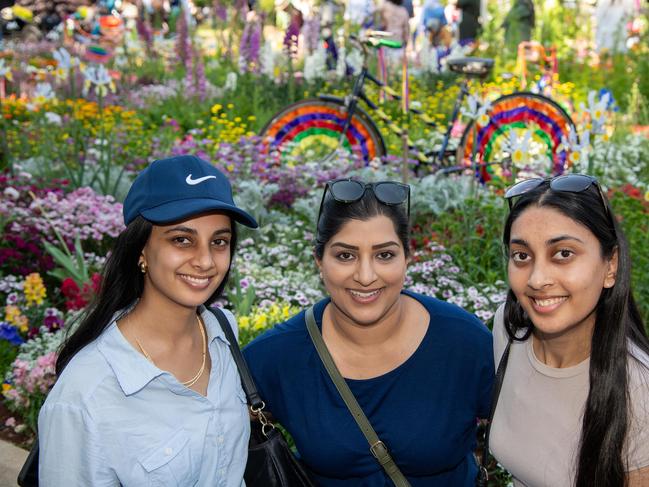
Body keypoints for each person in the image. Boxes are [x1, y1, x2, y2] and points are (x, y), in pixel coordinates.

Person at [243, 178, 494, 486]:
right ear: (319, 261)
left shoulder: (463, 342)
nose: (365, 276)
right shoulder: (277, 356)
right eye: (345, 255)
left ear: (407, 258)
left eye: (385, 255)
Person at [38, 155, 258, 486]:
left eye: (219, 241)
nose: (205, 261)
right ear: (141, 249)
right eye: (181, 239)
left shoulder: (222, 335)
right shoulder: (88, 394)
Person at [490, 174, 649, 486]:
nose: (537, 279)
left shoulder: (639, 392)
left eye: (563, 253)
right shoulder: (509, 331)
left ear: (610, 265)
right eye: (522, 255)